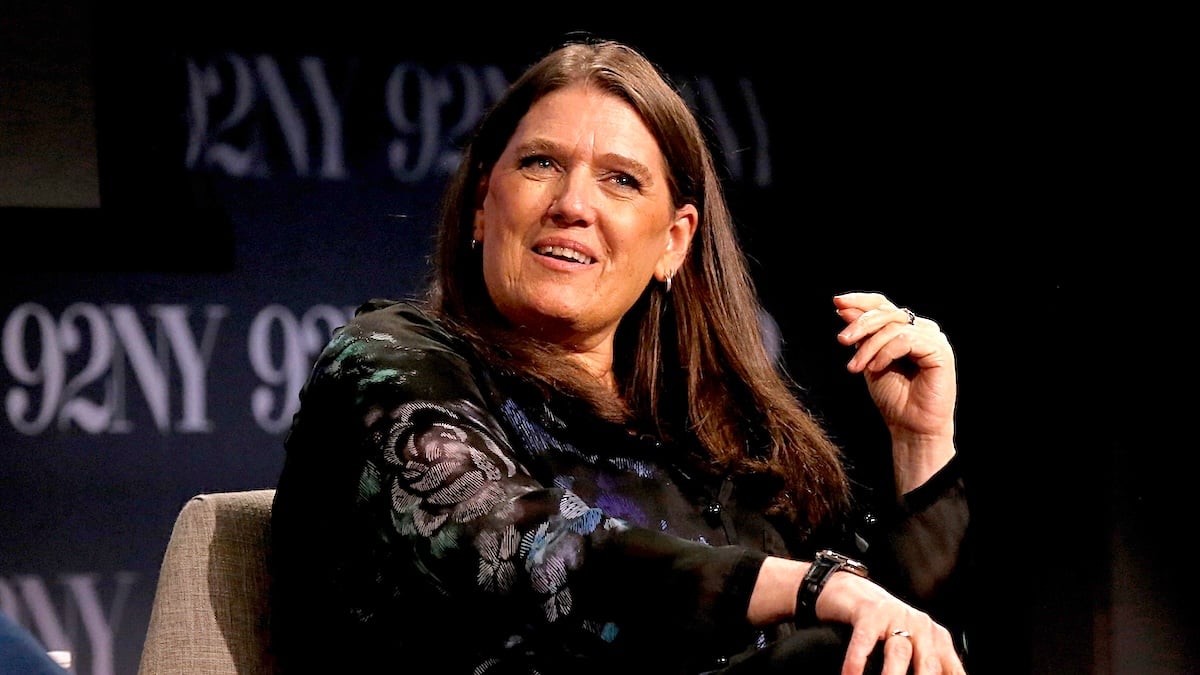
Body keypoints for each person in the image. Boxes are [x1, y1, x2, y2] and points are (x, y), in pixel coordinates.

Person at [269, 36, 970, 674]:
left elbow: (907, 644)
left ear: (674, 240)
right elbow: (526, 551)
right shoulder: (388, 363)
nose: (573, 203)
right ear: (484, 202)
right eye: (541, 162)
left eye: (621, 179)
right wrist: (810, 585)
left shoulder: (718, 448)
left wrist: (921, 440)